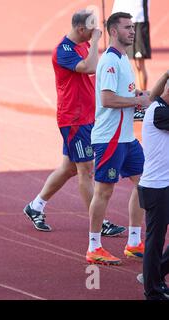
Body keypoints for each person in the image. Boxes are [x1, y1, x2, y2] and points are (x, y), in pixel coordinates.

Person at [23, 10, 125, 237]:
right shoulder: (64, 50)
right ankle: (98, 221)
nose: (95, 33)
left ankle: (35, 205)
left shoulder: (82, 45)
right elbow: (88, 68)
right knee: (86, 170)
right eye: (92, 30)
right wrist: (97, 41)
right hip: (74, 119)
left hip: (87, 117)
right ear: (81, 29)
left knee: (69, 167)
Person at [86, 12, 152, 265]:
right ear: (113, 31)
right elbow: (107, 99)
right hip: (109, 139)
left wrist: (135, 93)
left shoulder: (123, 59)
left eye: (133, 27)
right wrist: (137, 100)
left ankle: (134, 242)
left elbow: (120, 91)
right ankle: (94, 246)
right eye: (127, 27)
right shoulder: (110, 61)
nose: (132, 31)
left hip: (126, 138)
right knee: (104, 191)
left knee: (144, 183)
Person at [137, 70, 169, 300]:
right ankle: (152, 290)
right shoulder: (159, 113)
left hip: (164, 186)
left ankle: (156, 276)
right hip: (156, 189)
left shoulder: (158, 108)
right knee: (154, 242)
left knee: (156, 242)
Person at [112, 0, 152, 121]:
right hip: (119, 16)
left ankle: (143, 104)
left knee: (139, 63)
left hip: (138, 17)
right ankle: (124, 100)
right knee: (119, 60)